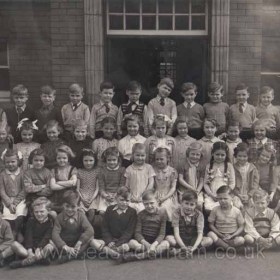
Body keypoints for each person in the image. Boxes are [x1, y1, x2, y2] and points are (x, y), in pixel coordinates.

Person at [90, 187, 137, 259]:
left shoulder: (132, 212)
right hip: (110, 241)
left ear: (130, 200)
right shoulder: (109, 209)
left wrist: (118, 243)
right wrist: (109, 241)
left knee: (127, 247)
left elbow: (129, 232)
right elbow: (105, 228)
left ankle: (112, 251)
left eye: (127, 201)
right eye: (121, 200)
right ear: (116, 198)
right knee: (92, 242)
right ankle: (113, 253)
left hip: (123, 242)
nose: (124, 203)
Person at [9, 197, 56, 269]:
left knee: (50, 246)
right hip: (30, 247)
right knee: (14, 244)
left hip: (42, 246)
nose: (39, 214)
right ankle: (39, 259)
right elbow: (29, 236)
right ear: (33, 212)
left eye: (42, 211)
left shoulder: (51, 221)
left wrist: (39, 248)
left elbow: (47, 236)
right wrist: (30, 250)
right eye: (36, 212)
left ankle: (23, 263)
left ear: (48, 211)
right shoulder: (31, 221)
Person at [52, 190, 94, 263]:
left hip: (77, 243)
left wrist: (80, 242)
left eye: (73, 207)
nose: (69, 209)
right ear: (63, 205)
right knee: (52, 241)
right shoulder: (59, 217)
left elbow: (90, 230)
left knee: (91, 236)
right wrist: (65, 246)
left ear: (78, 206)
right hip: (65, 243)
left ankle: (72, 256)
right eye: (67, 206)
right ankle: (73, 254)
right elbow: (55, 234)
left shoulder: (81, 216)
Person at [126, 190, 170, 261]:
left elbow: (162, 234)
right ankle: (152, 252)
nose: (149, 206)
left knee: (166, 243)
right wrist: (147, 244)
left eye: (152, 203)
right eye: (146, 204)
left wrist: (153, 245)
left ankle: (143, 255)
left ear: (157, 201)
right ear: (143, 203)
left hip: (156, 242)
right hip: (143, 242)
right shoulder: (140, 214)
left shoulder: (162, 214)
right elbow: (137, 233)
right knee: (131, 242)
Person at [166, 191, 213, 257]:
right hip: (181, 238)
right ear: (182, 203)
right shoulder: (176, 213)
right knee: (169, 238)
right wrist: (183, 247)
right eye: (186, 203)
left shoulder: (199, 215)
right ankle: (186, 250)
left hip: (193, 239)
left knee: (209, 240)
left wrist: (194, 247)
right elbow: (176, 234)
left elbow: (200, 234)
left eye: (192, 204)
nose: (188, 207)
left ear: (195, 205)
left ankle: (186, 250)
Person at [0, 149, 27, 241]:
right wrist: (9, 204)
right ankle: (10, 235)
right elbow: (1, 191)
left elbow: (24, 189)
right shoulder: (2, 175)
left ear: (18, 161)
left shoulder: (23, 173)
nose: (10, 164)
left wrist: (15, 203)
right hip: (7, 200)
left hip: (20, 200)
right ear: (4, 162)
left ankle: (17, 231)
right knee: (7, 215)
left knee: (20, 214)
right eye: (7, 162)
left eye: (13, 161)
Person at [204, 141, 235, 212]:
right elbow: (205, 183)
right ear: (212, 154)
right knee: (209, 209)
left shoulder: (229, 166)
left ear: (226, 155)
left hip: (225, 194)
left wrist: (225, 194)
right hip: (212, 194)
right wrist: (211, 195)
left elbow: (232, 183)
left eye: (222, 155)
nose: (219, 157)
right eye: (217, 154)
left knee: (225, 209)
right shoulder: (209, 166)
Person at [125, 143, 155, 213]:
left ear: (146, 156)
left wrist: (144, 195)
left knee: (144, 214)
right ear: (133, 155)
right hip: (132, 200)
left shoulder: (149, 168)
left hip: (145, 200)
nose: (140, 158)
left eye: (142, 155)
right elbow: (126, 186)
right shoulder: (129, 169)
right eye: (137, 155)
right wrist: (129, 196)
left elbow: (151, 183)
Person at [50, 145, 77, 213]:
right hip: (56, 198)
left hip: (69, 197)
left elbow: (73, 183)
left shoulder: (72, 169)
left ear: (68, 158)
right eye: (59, 158)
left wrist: (58, 182)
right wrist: (68, 183)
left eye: (64, 158)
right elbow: (53, 187)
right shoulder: (54, 170)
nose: (62, 160)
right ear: (56, 158)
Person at [97, 147, 126, 213]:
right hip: (105, 195)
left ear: (118, 160)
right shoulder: (102, 171)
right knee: (102, 212)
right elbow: (101, 187)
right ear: (106, 160)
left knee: (117, 212)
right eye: (109, 160)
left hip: (118, 194)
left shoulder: (122, 170)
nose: (112, 162)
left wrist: (116, 195)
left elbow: (122, 185)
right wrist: (106, 196)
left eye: (114, 160)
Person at [153, 147, 178, 221]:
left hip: (168, 195)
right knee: (152, 206)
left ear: (168, 159)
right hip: (156, 194)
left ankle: (167, 227)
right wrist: (154, 195)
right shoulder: (153, 170)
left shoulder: (172, 171)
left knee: (164, 207)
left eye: (161, 159)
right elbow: (152, 186)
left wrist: (165, 198)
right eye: (157, 159)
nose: (159, 161)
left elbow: (173, 188)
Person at [178, 142, 204, 210]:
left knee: (199, 203)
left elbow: (201, 181)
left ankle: (197, 218)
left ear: (201, 156)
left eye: (197, 155)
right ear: (188, 154)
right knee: (183, 202)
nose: (194, 156)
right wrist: (190, 187)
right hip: (185, 189)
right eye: (192, 154)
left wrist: (197, 190)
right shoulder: (183, 164)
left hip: (196, 190)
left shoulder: (201, 166)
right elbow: (180, 179)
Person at [233, 143, 259, 209]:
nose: (242, 158)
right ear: (236, 156)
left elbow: (256, 183)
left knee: (252, 207)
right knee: (237, 206)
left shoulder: (253, 167)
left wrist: (249, 195)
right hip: (237, 193)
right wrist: (238, 194)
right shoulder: (233, 167)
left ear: (248, 156)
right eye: (239, 156)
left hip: (250, 192)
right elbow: (232, 183)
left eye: (244, 156)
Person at [77, 149, 99, 224]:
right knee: (81, 212)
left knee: (92, 212)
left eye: (91, 160)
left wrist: (91, 199)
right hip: (82, 196)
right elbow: (77, 189)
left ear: (95, 161)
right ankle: (83, 229)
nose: (88, 163)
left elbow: (97, 188)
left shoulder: (97, 171)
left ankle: (89, 229)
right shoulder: (79, 171)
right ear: (82, 161)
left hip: (93, 196)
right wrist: (82, 199)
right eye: (85, 160)